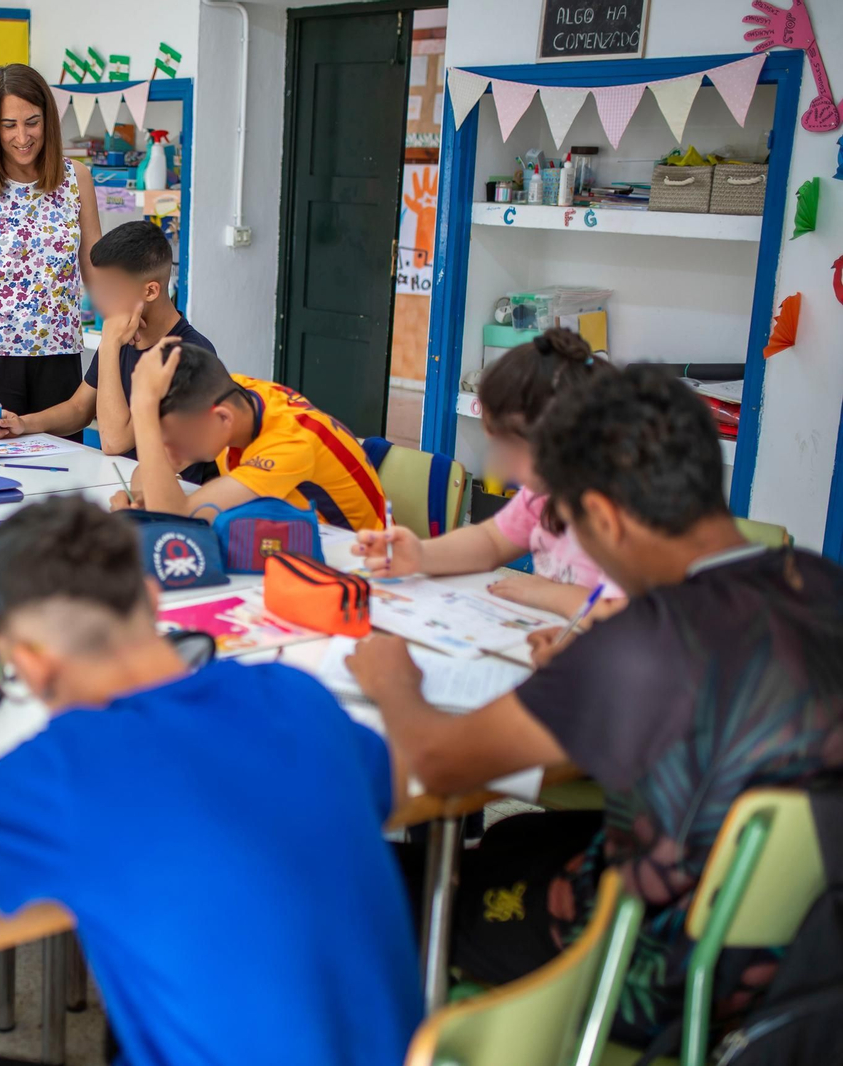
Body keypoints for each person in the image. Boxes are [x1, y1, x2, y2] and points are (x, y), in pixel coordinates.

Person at [0, 497, 422, 1066]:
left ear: (29, 664)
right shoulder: (294, 693)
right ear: (151, 599)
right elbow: (388, 783)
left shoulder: (70, 771)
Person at [344, 368, 843, 1046]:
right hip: (802, 945)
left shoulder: (643, 642)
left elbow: (435, 758)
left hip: (656, 970)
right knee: (518, 838)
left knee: (384, 881)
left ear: (604, 517)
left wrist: (391, 677)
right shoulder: (817, 581)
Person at [353, 328, 624, 617]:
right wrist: (421, 555)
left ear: (565, 439)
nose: (499, 464)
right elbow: (491, 541)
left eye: (510, 448)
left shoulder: (627, 512)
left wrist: (550, 594)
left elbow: (632, 617)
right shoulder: (542, 495)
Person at [0, 64, 103, 423]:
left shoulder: (77, 179)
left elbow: (94, 266)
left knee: (63, 471)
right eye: (9, 125)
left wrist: (123, 327)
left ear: (48, 119)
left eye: (32, 122)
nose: (22, 136)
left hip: (59, 356)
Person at [0, 221, 212, 458]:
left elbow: (114, 441)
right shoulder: (124, 334)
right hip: (120, 483)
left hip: (168, 491)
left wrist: (109, 345)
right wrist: (23, 424)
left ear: (150, 291)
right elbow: (79, 408)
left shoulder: (189, 354)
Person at [111, 341, 386, 531]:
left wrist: (143, 408)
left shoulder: (289, 443)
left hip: (362, 563)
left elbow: (180, 518)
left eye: (174, 441)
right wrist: (140, 498)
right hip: (291, 542)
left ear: (222, 418)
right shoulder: (227, 395)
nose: (167, 451)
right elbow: (149, 478)